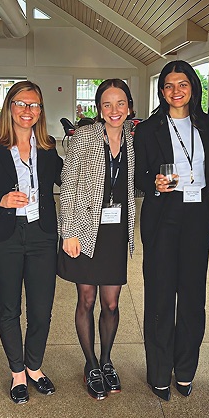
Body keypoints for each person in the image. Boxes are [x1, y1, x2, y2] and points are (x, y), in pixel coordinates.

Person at [0, 81, 62, 405]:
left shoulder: (49, 148)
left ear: (41, 111)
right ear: (9, 107)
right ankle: (17, 373)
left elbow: (69, 180)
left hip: (42, 234)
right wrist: (0, 200)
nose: (28, 110)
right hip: (5, 236)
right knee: (9, 308)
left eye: (34, 105)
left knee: (41, 309)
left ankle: (34, 366)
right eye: (21, 104)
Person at [134, 61, 209, 400]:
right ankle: (158, 371)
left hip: (198, 214)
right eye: (168, 85)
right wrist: (152, 184)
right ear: (161, 91)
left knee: (193, 297)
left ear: (193, 87)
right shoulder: (148, 129)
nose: (176, 91)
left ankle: (185, 369)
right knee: (160, 296)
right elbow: (137, 176)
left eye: (182, 84)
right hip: (163, 215)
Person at [59, 79, 136, 400]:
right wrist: (68, 231)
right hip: (85, 229)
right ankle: (90, 363)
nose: (114, 110)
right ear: (99, 109)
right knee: (87, 300)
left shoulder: (132, 138)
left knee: (111, 303)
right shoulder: (85, 136)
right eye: (107, 104)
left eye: (120, 103)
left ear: (129, 107)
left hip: (115, 233)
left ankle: (106, 360)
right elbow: (68, 184)